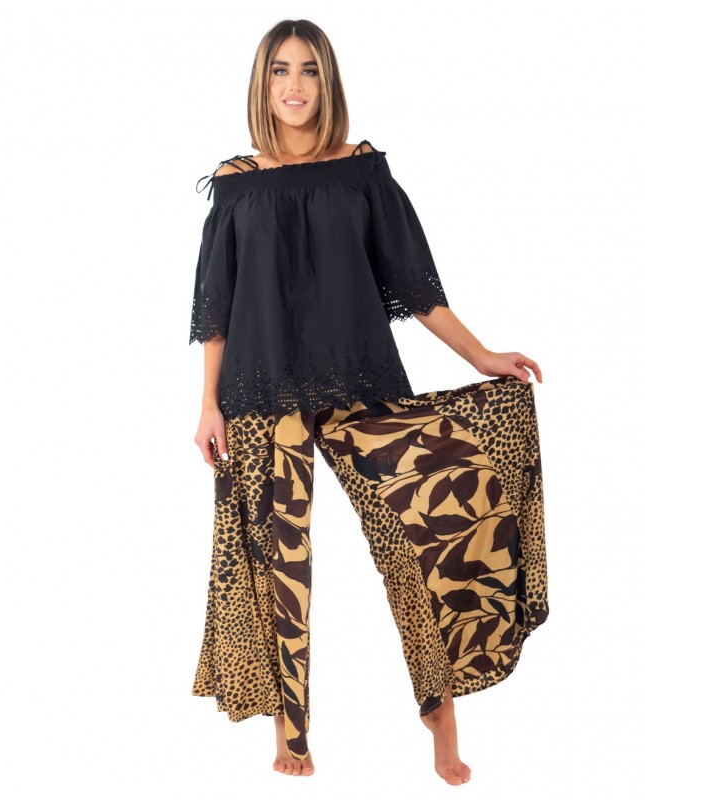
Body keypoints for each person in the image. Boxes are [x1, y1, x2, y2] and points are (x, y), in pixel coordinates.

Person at [188, 19, 548, 785]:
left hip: (358, 377)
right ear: (262, 83)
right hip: (260, 388)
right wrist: (208, 403)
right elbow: (217, 306)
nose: (295, 86)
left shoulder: (362, 169)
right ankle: (290, 731)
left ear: (328, 82)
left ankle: (440, 723)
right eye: (281, 70)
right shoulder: (236, 178)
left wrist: (483, 356)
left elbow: (415, 286)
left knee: (420, 540)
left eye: (309, 70)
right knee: (277, 562)